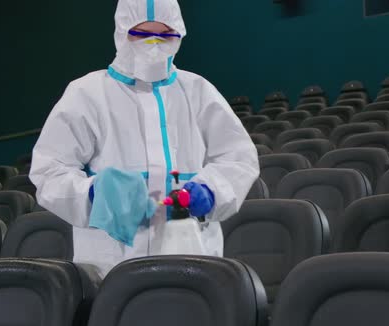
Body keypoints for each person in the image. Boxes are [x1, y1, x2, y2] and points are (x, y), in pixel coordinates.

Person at [29, 0, 259, 278]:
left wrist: (212, 190)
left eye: (165, 35)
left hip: (193, 252)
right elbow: (48, 171)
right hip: (111, 260)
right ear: (122, 32)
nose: (154, 45)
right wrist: (93, 192)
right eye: (142, 35)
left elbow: (238, 157)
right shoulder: (87, 94)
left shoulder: (198, 91)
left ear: (180, 34)